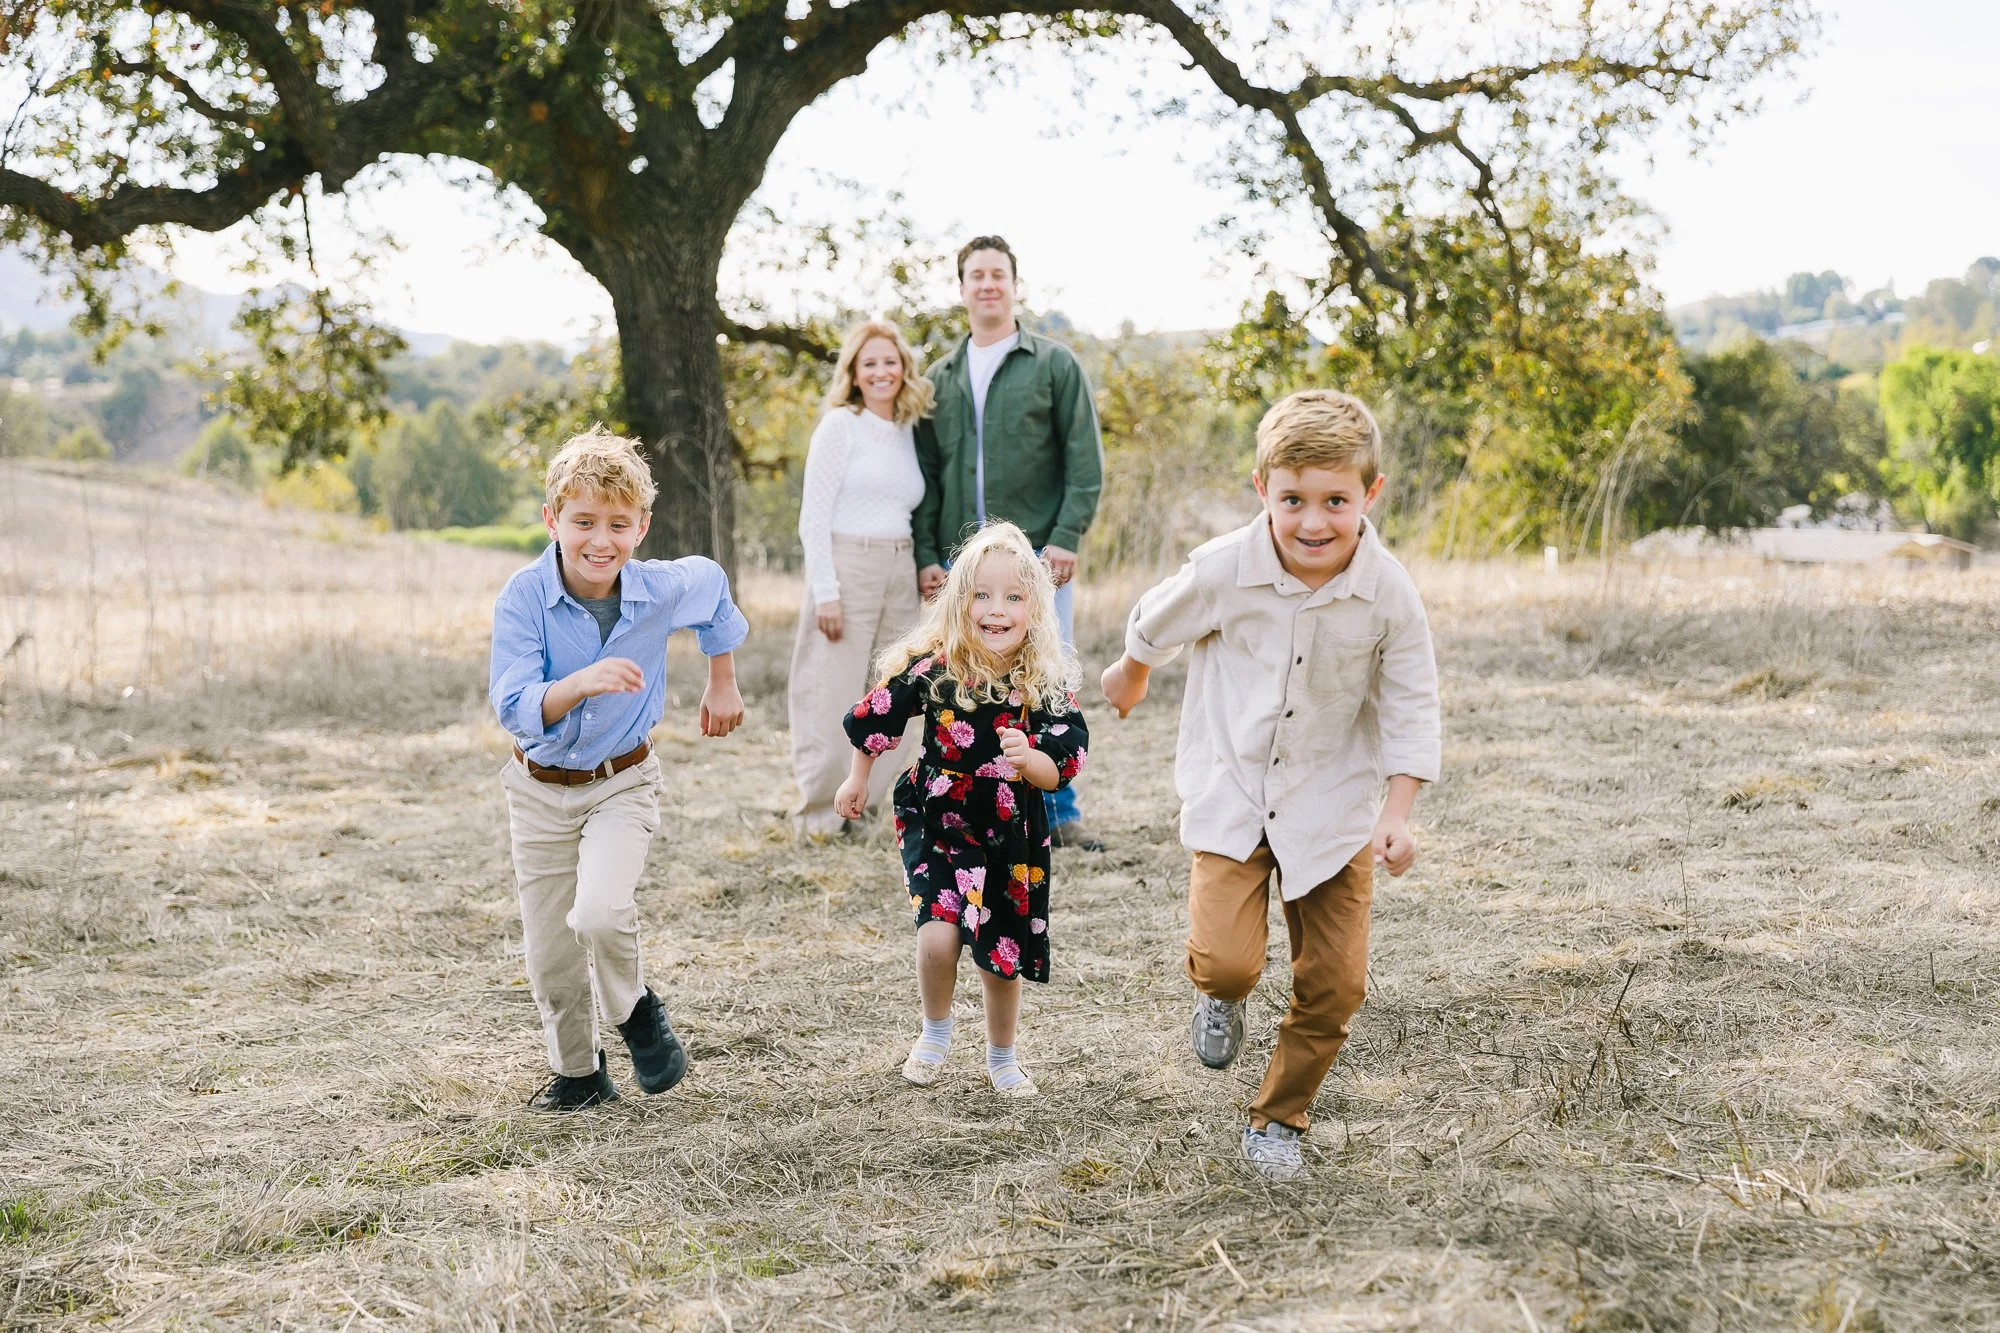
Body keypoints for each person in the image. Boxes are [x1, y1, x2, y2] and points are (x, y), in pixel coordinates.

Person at [1099, 390, 1441, 1181]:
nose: (1314, 522)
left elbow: (1413, 703)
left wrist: (1397, 813)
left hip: (1335, 803)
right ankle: (1218, 997)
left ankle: (1279, 1119)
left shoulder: (1389, 590)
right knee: (1227, 963)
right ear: (1263, 490)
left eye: (1335, 501)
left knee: (1336, 984)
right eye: (1293, 500)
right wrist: (1131, 672)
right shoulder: (1225, 568)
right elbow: (1153, 619)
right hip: (1235, 789)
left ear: (1371, 494)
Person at [488, 426, 748, 1112]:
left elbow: (715, 588)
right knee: (550, 955)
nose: (600, 540)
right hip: (538, 789)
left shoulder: (660, 587)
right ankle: (579, 1074)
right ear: (552, 521)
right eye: (583, 522)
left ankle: (636, 1013)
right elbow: (513, 704)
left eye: (618, 524)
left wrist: (721, 679)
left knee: (600, 911)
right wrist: (580, 681)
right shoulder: (523, 597)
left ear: (642, 527)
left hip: (623, 781)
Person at [835, 522, 1090, 1099]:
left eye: (1013, 597)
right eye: (981, 595)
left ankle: (1003, 1055)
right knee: (939, 935)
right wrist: (857, 779)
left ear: (1035, 607)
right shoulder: (938, 667)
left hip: (1010, 827)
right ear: (958, 600)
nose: (995, 610)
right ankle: (935, 1030)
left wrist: (1031, 761)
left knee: (1000, 951)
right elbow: (876, 714)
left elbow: (1066, 761)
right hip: (939, 814)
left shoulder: (1041, 681)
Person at [913, 235, 1107, 851]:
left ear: (1015, 284)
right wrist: (927, 555)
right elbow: (927, 479)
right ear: (962, 288)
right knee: (962, 680)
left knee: (1045, 674)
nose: (988, 284)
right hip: (958, 562)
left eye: (999, 274)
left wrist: (1068, 537)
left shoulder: (1053, 364)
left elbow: (1085, 462)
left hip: (1037, 558)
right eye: (977, 275)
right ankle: (970, 805)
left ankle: (1059, 810)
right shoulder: (939, 378)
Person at [787, 319, 934, 838]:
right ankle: (819, 818)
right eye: (868, 362)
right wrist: (825, 591)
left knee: (893, 690)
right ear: (853, 371)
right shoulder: (839, 426)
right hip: (848, 565)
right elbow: (813, 517)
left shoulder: (907, 430)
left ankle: (872, 812)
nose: (881, 371)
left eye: (889, 361)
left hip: (901, 566)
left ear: (903, 368)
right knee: (831, 690)